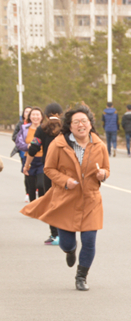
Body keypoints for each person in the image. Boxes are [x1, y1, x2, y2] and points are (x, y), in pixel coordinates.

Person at [20, 105, 110, 291]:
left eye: (84, 121)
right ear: (69, 125)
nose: (81, 125)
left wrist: (103, 174)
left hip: (91, 199)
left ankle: (81, 277)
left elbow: (106, 169)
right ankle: (70, 250)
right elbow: (48, 168)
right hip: (66, 199)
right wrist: (65, 181)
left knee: (89, 240)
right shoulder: (58, 144)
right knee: (67, 242)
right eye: (76, 122)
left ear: (90, 124)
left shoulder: (99, 145)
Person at [24, 102, 64, 245]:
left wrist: (27, 165)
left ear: (45, 116)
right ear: (61, 114)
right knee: (65, 201)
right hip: (66, 171)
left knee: (52, 201)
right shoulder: (66, 128)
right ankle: (67, 233)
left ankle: (55, 235)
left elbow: (33, 148)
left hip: (49, 170)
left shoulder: (42, 129)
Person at [16, 107, 45, 206]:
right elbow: (18, 142)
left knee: (41, 185)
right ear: (29, 117)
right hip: (29, 159)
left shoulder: (45, 128)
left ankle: (41, 206)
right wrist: (27, 146)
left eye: (38, 115)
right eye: (33, 114)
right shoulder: (24, 128)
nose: (35, 117)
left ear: (42, 117)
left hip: (42, 160)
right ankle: (33, 207)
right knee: (31, 187)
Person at [11, 106, 32, 172]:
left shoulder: (35, 124)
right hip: (23, 148)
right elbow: (14, 137)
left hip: (33, 147)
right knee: (25, 166)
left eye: (30, 112)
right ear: (23, 114)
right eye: (26, 112)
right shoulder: (20, 124)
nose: (28, 113)